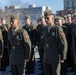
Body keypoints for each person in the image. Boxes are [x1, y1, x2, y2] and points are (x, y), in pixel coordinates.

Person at [43, 10, 67, 75]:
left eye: (48, 18)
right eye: (45, 18)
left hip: (55, 56)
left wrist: (62, 57)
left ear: (52, 18)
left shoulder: (57, 29)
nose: (46, 20)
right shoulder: (45, 29)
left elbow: (63, 43)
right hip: (46, 56)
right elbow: (44, 42)